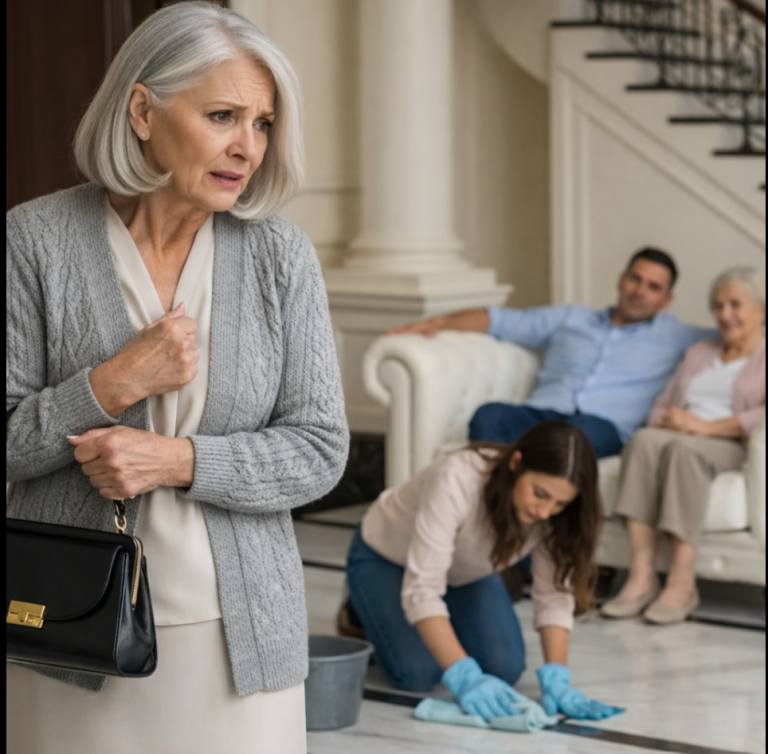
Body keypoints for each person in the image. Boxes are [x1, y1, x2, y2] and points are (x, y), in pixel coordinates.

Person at [5, 4, 349, 753]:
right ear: (141, 110)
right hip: (70, 627)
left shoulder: (279, 257)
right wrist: (110, 384)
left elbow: (321, 449)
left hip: (238, 639)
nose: (247, 147)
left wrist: (179, 461)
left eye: (261, 123)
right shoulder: (32, 240)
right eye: (223, 115)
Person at [343, 422, 624, 722]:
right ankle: (357, 611)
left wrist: (558, 676)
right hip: (386, 557)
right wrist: (464, 677)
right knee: (416, 673)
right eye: (540, 493)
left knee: (503, 668)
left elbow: (554, 594)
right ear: (516, 463)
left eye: (560, 503)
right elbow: (422, 590)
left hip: (463, 573)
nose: (545, 511)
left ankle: (434, 617)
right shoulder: (456, 479)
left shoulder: (554, 515)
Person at [390, 248, 715, 459]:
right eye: (635, 279)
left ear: (666, 299)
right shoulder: (572, 318)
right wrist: (441, 322)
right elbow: (501, 320)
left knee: (574, 440)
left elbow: (740, 334)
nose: (640, 291)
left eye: (653, 287)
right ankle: (491, 502)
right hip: (543, 413)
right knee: (489, 416)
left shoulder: (677, 336)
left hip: (601, 426)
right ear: (621, 279)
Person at [601, 267, 765, 625]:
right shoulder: (700, 352)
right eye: (718, 305)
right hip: (680, 432)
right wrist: (667, 419)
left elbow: (761, 416)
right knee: (643, 441)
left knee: (682, 451)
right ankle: (641, 577)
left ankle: (682, 581)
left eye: (736, 305)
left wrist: (705, 427)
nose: (725, 314)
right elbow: (663, 401)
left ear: (762, 310)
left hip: (729, 442)